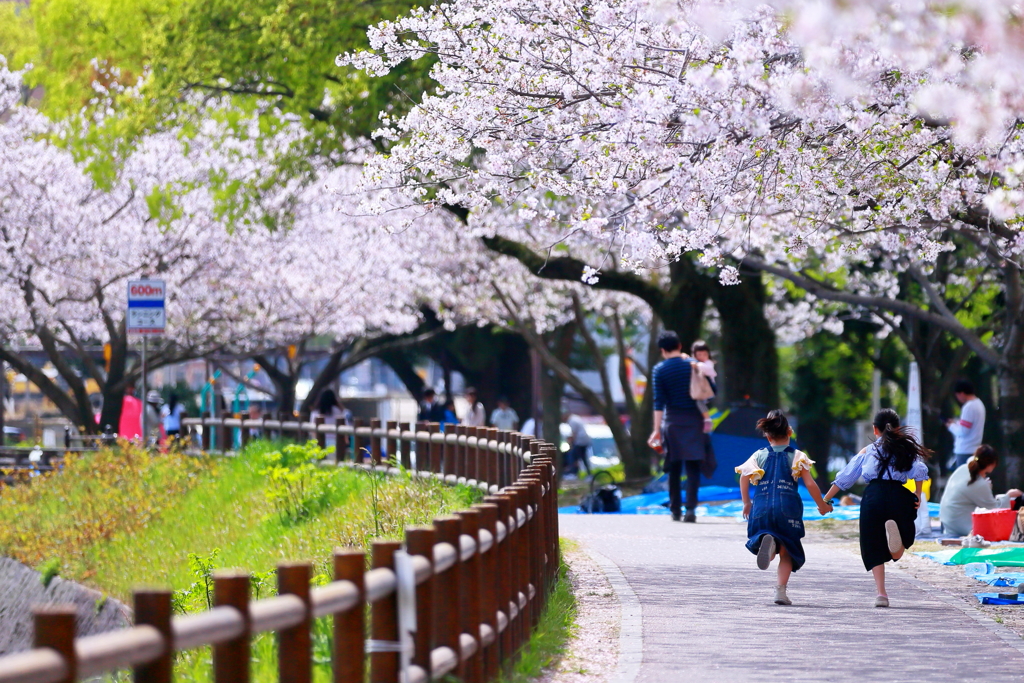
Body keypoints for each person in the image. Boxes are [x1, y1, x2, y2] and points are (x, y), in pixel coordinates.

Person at [823, 408, 930, 608]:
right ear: (898, 429)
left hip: (873, 496)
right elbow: (919, 470)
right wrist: (916, 494)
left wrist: (825, 501)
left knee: (872, 544)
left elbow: (846, 477)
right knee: (903, 540)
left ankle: (881, 594)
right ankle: (896, 549)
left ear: (874, 429)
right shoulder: (906, 449)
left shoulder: (868, 450)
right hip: (899, 496)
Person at [736, 410, 831, 606]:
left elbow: (743, 477)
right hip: (787, 508)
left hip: (761, 506)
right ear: (790, 432)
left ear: (767, 436)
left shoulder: (759, 455)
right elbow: (811, 484)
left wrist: (747, 503)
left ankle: (769, 548)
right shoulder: (797, 456)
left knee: (766, 534)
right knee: (787, 551)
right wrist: (821, 505)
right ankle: (780, 591)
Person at [647, 330, 707, 522]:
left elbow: (658, 403)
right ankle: (691, 509)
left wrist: (656, 430)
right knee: (693, 466)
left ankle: (675, 509)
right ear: (680, 346)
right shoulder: (692, 365)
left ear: (662, 350)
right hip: (694, 420)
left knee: (673, 467)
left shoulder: (659, 370)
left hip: (672, 421)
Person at [939, 445, 1023, 536]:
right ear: (992, 464)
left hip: (948, 524)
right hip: (961, 526)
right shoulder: (978, 483)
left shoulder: (962, 469)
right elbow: (995, 508)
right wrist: (1008, 495)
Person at [947, 380, 986, 468]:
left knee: (964, 479)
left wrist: (951, 426)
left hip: (965, 450)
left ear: (962, 393)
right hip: (974, 448)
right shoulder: (979, 404)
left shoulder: (968, 407)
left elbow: (963, 431)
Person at [691, 340, 717, 433]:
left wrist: (697, 365)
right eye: (699, 355)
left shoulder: (708, 363)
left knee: (699, 402)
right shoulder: (692, 362)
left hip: (708, 389)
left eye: (704, 354)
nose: (702, 357)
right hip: (697, 389)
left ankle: (707, 420)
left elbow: (709, 370)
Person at [563, 411, 593, 477]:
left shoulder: (572, 421)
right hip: (584, 440)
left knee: (572, 456)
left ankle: (573, 473)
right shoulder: (575, 418)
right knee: (583, 457)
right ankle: (589, 473)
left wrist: (570, 442)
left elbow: (574, 433)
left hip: (580, 441)